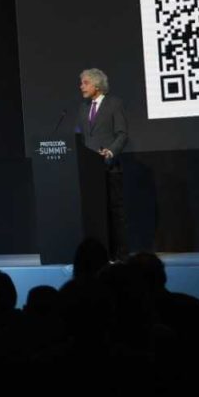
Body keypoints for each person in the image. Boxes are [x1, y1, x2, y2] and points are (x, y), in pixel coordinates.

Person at [76, 68, 129, 261]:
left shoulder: (114, 104)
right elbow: (80, 136)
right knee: (93, 214)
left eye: (85, 82)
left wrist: (110, 151)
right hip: (89, 170)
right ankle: (98, 256)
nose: (81, 86)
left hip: (109, 167)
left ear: (97, 84)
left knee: (114, 212)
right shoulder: (83, 108)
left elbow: (122, 134)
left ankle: (121, 256)